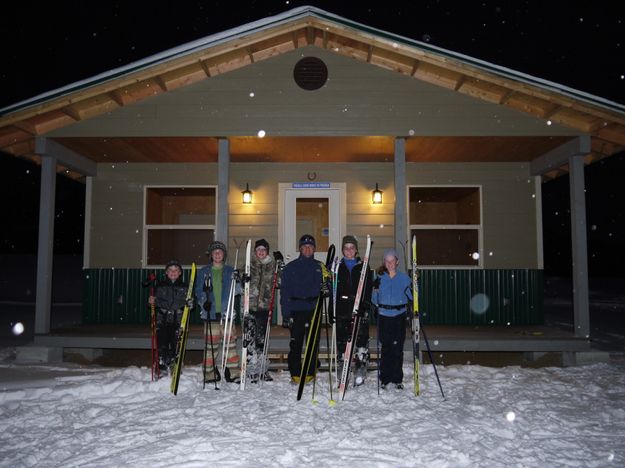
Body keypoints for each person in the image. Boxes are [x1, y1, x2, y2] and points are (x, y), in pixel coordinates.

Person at [280, 234, 330, 384]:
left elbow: (328, 287)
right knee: (296, 343)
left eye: (310, 246)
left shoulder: (320, 267)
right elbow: (285, 292)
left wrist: (326, 288)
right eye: (305, 247)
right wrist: (286, 314)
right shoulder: (290, 268)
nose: (307, 249)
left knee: (312, 343)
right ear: (300, 249)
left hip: (314, 309)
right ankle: (295, 372)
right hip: (296, 309)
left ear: (314, 249)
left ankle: (310, 371)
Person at [195, 241, 242, 384]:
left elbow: (238, 290)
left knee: (230, 346)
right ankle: (209, 373)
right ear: (210, 255)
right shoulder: (203, 272)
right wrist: (204, 301)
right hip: (210, 314)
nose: (217, 254)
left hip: (226, 313)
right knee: (211, 346)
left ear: (224, 255)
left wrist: (240, 280)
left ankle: (233, 372)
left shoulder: (230, 271)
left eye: (220, 252)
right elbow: (198, 291)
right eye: (214, 252)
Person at [331, 235, 373, 386]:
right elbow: (333, 291)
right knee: (342, 343)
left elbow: (368, 289)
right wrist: (332, 311)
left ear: (356, 250)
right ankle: (343, 370)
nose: (349, 250)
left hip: (359, 310)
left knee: (361, 342)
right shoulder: (337, 267)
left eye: (352, 248)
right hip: (342, 310)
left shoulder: (364, 266)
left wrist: (365, 305)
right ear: (343, 250)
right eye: (346, 248)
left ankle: (360, 371)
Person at [371, 248, 412, 390]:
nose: (390, 264)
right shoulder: (379, 278)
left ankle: (397, 378)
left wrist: (415, 287)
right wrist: (374, 290)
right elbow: (374, 299)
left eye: (392, 261)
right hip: (384, 316)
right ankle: (385, 378)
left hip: (399, 316)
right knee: (386, 348)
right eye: (387, 261)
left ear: (397, 262)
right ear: (384, 262)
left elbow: (412, 297)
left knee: (397, 348)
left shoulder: (404, 278)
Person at [245, 238, 282, 383]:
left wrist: (280, 266)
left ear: (267, 251)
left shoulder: (272, 266)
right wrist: (240, 276)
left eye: (263, 250)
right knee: (250, 340)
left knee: (262, 340)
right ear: (255, 252)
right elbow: (240, 277)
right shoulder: (249, 265)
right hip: (250, 307)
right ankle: (251, 369)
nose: (261, 252)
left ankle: (262, 369)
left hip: (265, 307)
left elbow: (279, 282)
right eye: (258, 250)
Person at [148, 260, 192, 374]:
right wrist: (151, 301)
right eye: (170, 270)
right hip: (162, 319)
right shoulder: (160, 286)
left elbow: (190, 302)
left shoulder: (185, 287)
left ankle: (174, 361)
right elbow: (153, 302)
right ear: (166, 273)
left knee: (176, 341)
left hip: (178, 319)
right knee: (162, 341)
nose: (173, 272)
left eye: (176, 270)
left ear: (180, 273)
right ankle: (161, 362)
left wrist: (190, 303)